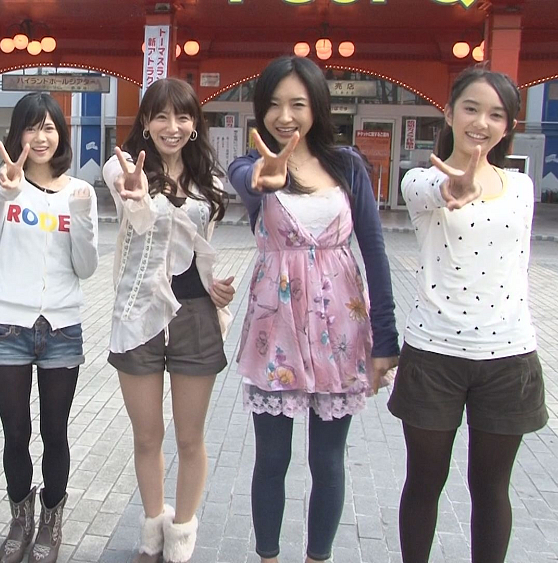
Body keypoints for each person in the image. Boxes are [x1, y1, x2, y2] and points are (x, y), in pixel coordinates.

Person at [227, 56, 399, 563]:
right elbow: (246, 177)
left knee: (328, 460)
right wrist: (263, 174)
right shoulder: (251, 165)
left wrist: (386, 341)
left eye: (297, 104)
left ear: (317, 107)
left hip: (341, 329)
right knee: (271, 458)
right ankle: (268, 557)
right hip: (275, 329)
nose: (285, 116)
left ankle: (317, 557)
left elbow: (374, 251)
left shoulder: (347, 166)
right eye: (274, 105)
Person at [388, 66, 546, 563]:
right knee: (424, 482)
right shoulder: (421, 180)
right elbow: (437, 191)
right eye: (471, 109)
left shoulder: (521, 187)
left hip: (509, 357)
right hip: (434, 355)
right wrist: (451, 188)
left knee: (492, 488)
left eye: (496, 115)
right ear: (449, 113)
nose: (481, 122)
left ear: (508, 126)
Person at [103, 77, 235, 563]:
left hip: (196, 315)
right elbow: (137, 220)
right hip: (138, 314)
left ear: (195, 123)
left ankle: (180, 539)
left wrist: (218, 287)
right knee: (147, 435)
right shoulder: (121, 168)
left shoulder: (210, 180)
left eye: (182, 116)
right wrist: (138, 195)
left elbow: (200, 252)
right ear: (145, 122)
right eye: (160, 116)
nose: (172, 126)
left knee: (189, 437)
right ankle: (152, 531)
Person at [0, 92, 99, 563]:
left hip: (62, 328)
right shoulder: (2, 184)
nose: (41, 137)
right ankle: (19, 518)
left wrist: (82, 218)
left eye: (49, 127)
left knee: (55, 431)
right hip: (8, 327)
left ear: (61, 134)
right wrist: (8, 183)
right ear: (18, 135)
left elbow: (86, 267)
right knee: (15, 432)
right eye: (32, 127)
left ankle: (51, 520)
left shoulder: (79, 193)